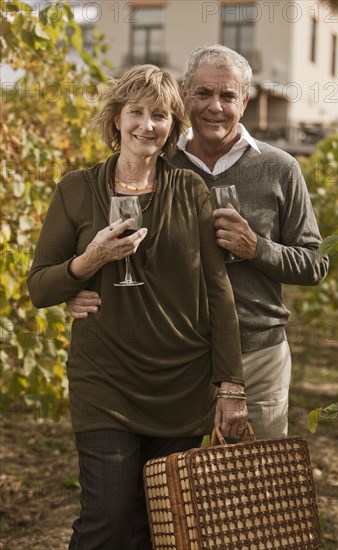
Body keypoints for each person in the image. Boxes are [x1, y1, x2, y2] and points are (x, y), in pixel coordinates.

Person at [27, 64, 247, 550]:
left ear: (173, 126)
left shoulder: (191, 191)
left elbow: (218, 292)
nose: (148, 125)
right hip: (104, 380)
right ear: (116, 119)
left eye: (161, 115)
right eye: (137, 112)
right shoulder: (77, 189)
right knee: (106, 519)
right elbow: (39, 287)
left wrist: (231, 385)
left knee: (160, 527)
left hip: (181, 385)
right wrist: (89, 262)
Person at [68, 46, 329, 441]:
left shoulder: (280, 168)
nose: (215, 107)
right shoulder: (157, 161)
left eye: (228, 96)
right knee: (173, 489)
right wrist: (78, 288)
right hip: (169, 358)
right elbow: (108, 240)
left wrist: (256, 247)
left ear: (244, 100)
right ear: (185, 95)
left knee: (256, 484)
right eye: (204, 93)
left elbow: (314, 264)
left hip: (255, 351)